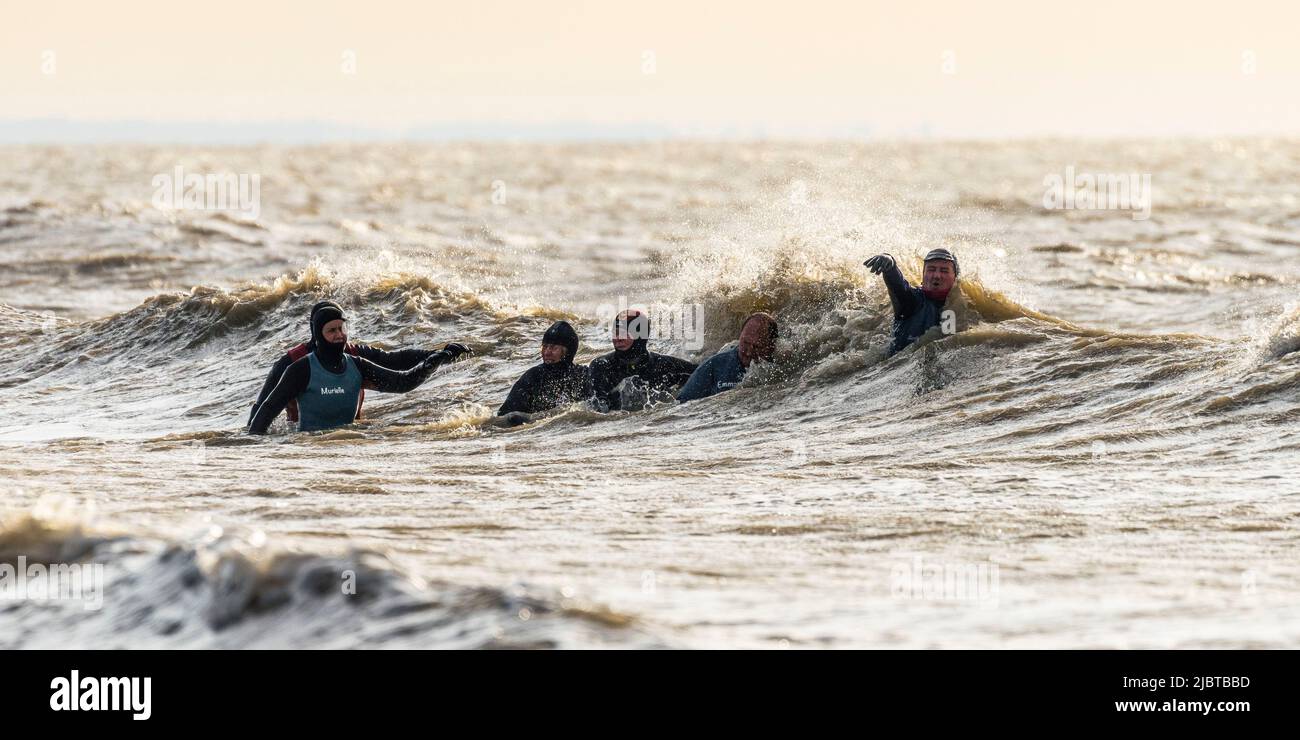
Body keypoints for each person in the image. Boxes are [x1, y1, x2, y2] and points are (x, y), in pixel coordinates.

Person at [248, 305, 471, 434]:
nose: (339, 335)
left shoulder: (355, 358)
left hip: (347, 435)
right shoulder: (293, 365)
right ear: (317, 332)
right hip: (305, 439)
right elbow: (263, 409)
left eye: (341, 328)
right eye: (331, 329)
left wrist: (438, 356)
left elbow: (397, 364)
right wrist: (253, 445)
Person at [589, 309, 697, 411]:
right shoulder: (601, 366)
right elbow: (597, 409)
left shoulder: (664, 366)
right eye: (616, 332)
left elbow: (702, 374)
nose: (618, 338)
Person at [863, 248, 960, 354]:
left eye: (944, 271)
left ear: (955, 277)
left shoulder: (963, 304)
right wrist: (890, 265)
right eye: (931, 269)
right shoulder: (912, 301)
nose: (936, 276)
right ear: (923, 275)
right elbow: (899, 286)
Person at [496, 320, 592, 420]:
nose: (546, 352)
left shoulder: (583, 375)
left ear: (568, 351)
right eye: (545, 346)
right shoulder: (533, 376)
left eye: (553, 348)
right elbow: (505, 416)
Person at [676, 312, 777, 402]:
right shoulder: (712, 366)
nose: (748, 352)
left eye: (756, 346)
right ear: (740, 336)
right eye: (745, 342)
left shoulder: (780, 362)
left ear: (771, 346)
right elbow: (682, 404)